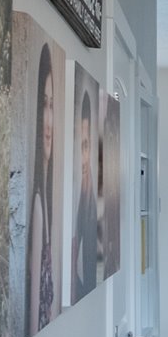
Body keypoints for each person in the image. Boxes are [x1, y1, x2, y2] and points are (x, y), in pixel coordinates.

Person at [26, 44, 57, 335]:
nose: (49, 121)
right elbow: (35, 320)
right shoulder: (37, 207)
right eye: (43, 105)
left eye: (53, 106)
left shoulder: (47, 202)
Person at [72, 86, 99, 301]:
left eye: (86, 146)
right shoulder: (74, 201)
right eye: (79, 147)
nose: (83, 156)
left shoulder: (90, 197)